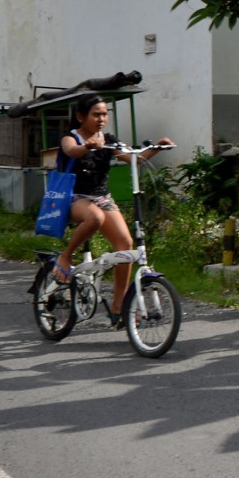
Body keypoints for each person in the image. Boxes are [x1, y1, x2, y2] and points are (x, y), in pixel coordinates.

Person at [52, 94, 173, 323]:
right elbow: (71, 151)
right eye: (96, 114)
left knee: (126, 246)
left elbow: (134, 158)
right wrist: (86, 146)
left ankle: (119, 308)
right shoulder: (70, 137)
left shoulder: (108, 139)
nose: (101, 119)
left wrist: (157, 147)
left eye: (105, 114)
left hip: (102, 198)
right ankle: (65, 258)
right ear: (80, 116)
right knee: (95, 218)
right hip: (73, 197)